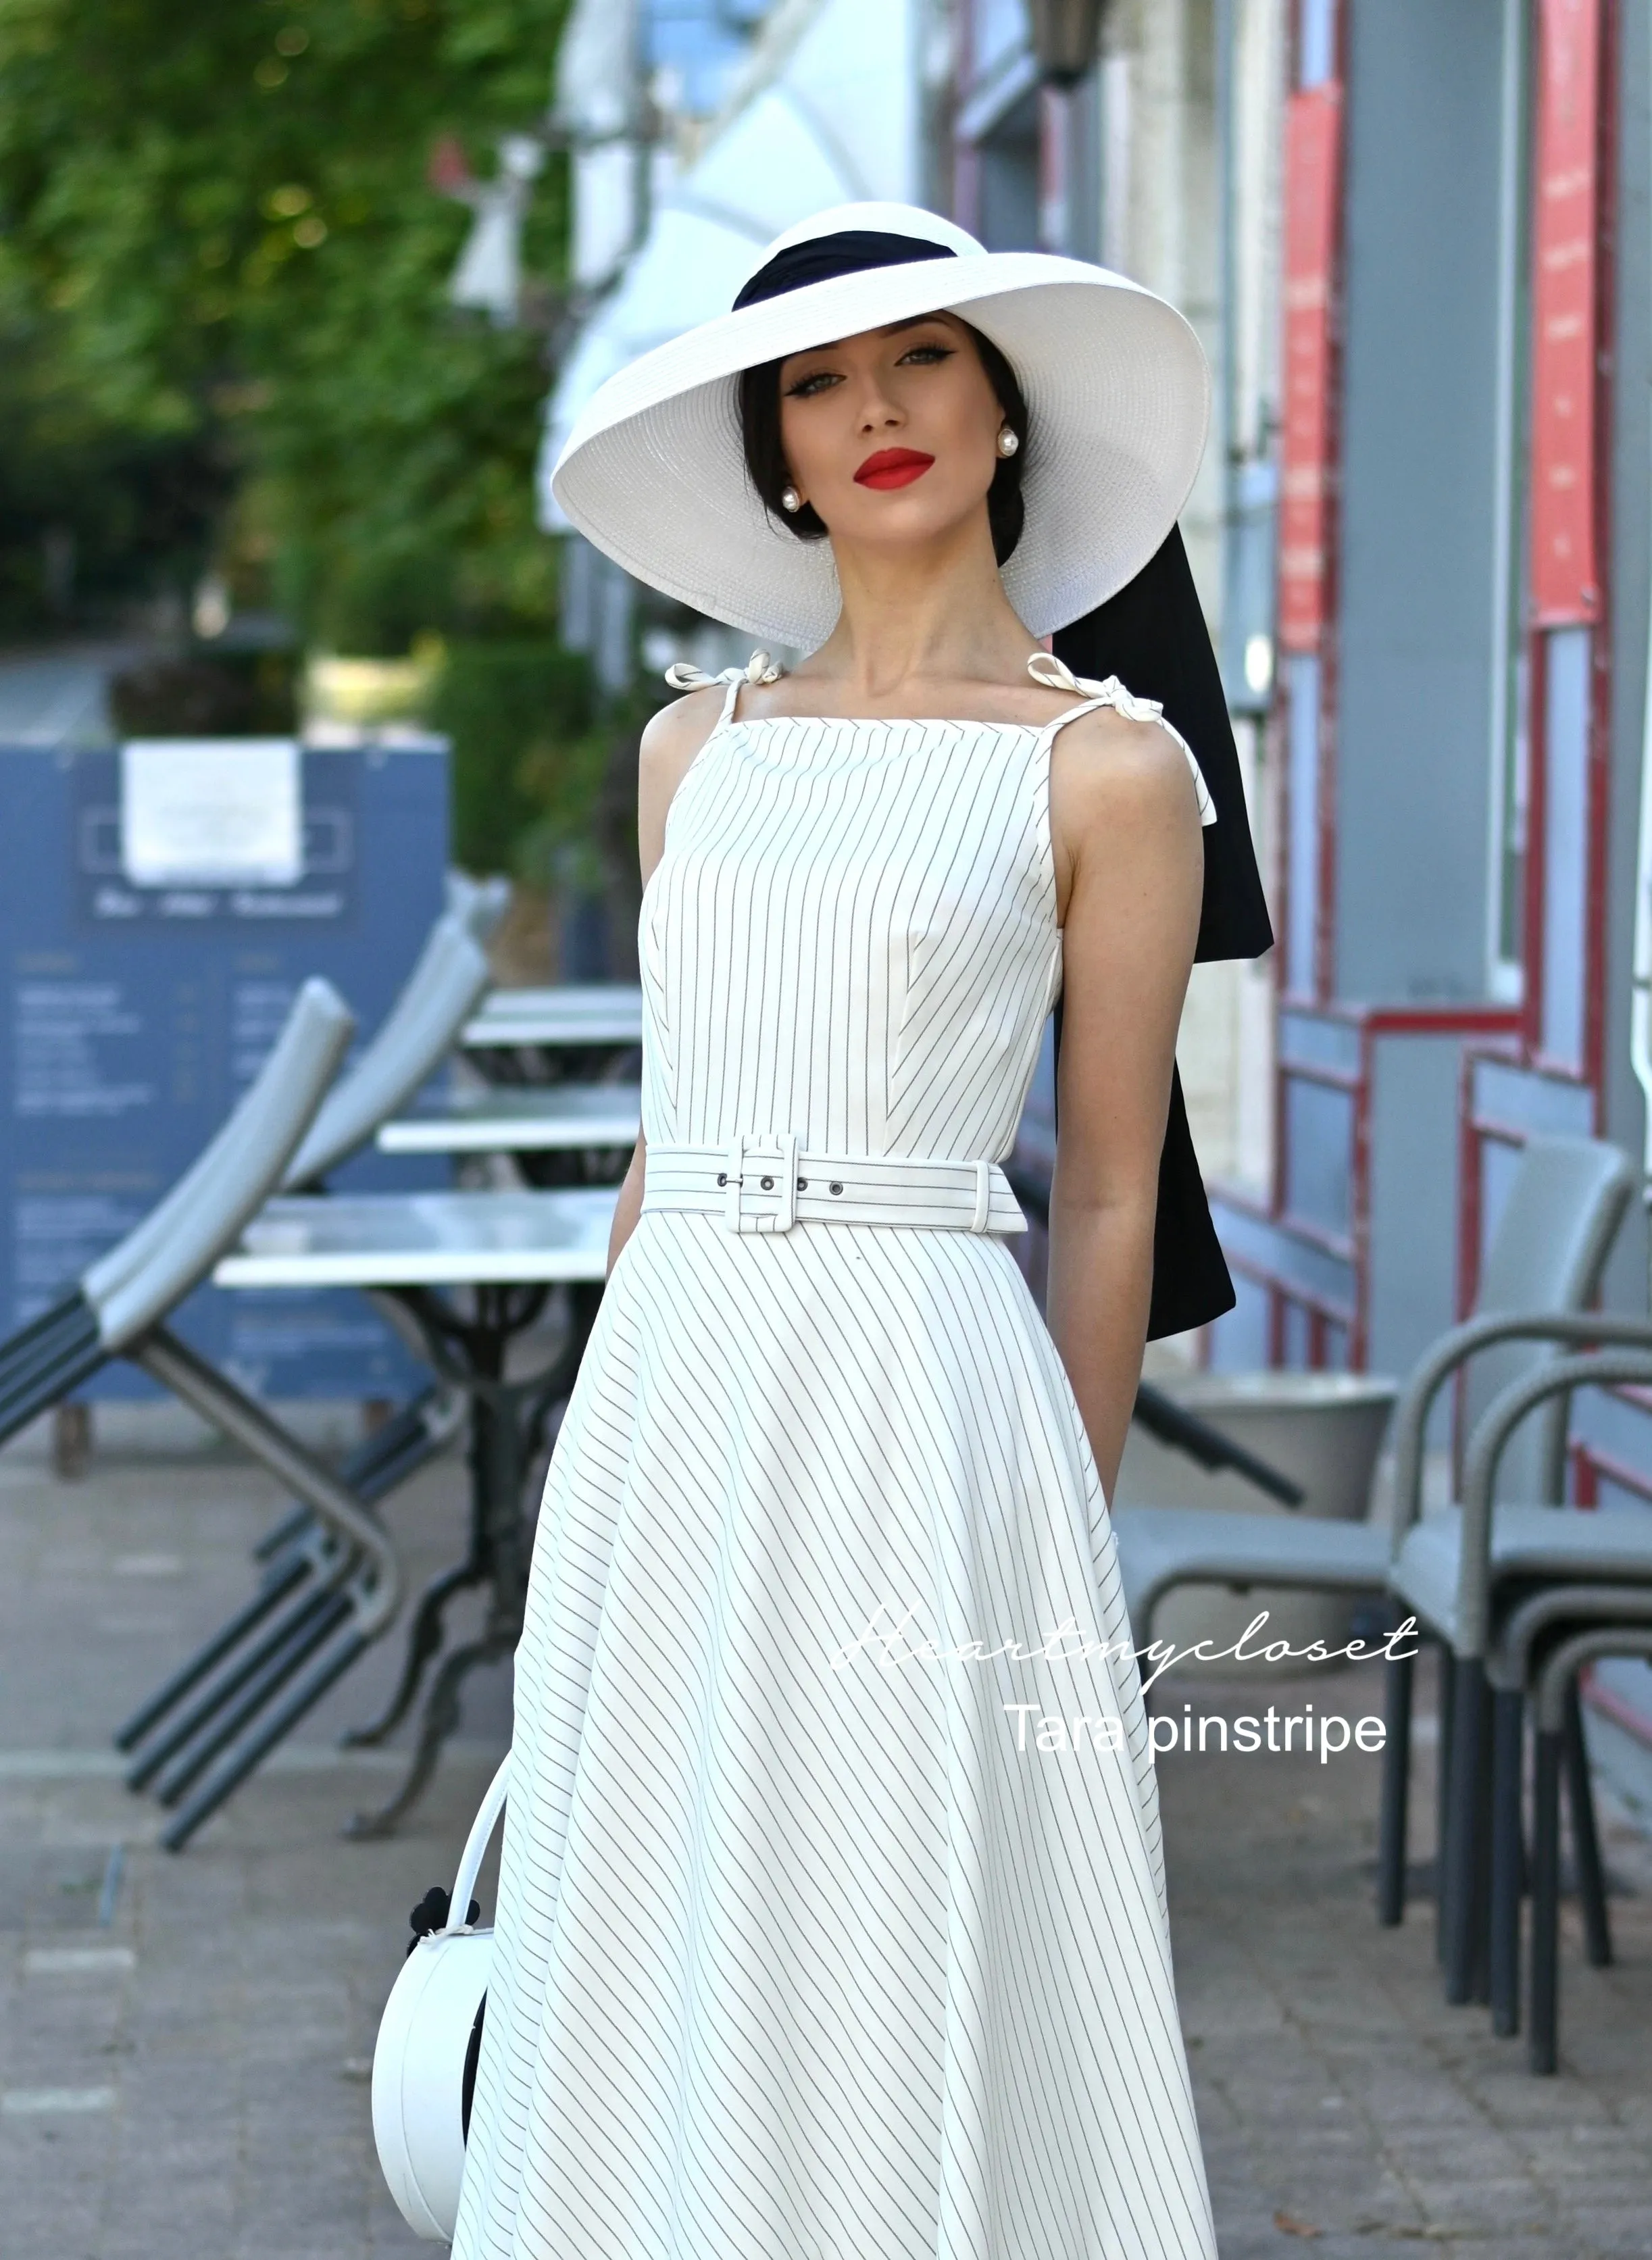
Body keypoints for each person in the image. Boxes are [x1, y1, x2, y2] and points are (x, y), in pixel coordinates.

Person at [452, 202, 1223, 2260]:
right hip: (677, 1387)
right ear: (773, 454)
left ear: (1003, 417)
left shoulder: (1107, 766)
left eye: (920, 363)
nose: (870, 409)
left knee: (900, 1901)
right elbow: (663, 1120)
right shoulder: (692, 747)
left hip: (925, 1394)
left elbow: (1111, 1185)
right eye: (812, 383)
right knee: (663, 1900)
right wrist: (594, 1446)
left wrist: (1053, 1515)